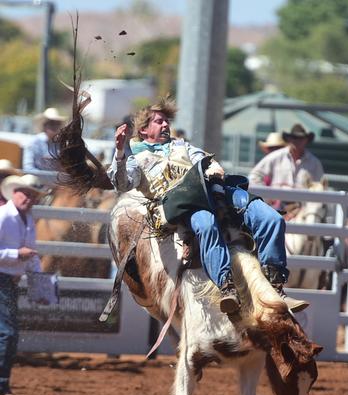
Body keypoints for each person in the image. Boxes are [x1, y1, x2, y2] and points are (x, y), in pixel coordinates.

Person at [107, 98, 308, 314]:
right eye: (159, 122)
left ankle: (276, 286)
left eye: (166, 121)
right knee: (206, 224)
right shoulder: (137, 159)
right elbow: (121, 183)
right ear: (144, 130)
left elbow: (206, 161)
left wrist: (213, 167)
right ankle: (226, 287)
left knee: (272, 219)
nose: (166, 125)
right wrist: (119, 152)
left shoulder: (182, 146)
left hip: (215, 191)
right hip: (184, 203)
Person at [0, 174, 44, 395]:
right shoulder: (3, 216)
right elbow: (27, 254)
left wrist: (39, 283)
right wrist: (17, 254)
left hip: (8, 281)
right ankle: (1, 387)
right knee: (8, 333)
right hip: (2, 280)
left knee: (7, 333)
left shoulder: (26, 219)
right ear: (14, 192)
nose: (29, 198)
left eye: (33, 195)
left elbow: (32, 255)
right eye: (26, 193)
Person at [249, 123, 324, 189]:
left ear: (306, 140)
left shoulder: (314, 163)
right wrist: (267, 196)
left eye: (301, 138)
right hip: (277, 203)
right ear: (289, 139)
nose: (297, 141)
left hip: (302, 203)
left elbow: (319, 186)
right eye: (294, 138)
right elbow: (254, 176)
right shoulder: (276, 156)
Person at [22, 107, 66, 172]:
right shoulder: (34, 143)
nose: (54, 126)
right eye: (51, 123)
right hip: (35, 179)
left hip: (56, 180)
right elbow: (28, 168)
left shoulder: (62, 144)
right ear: (44, 126)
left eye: (57, 124)